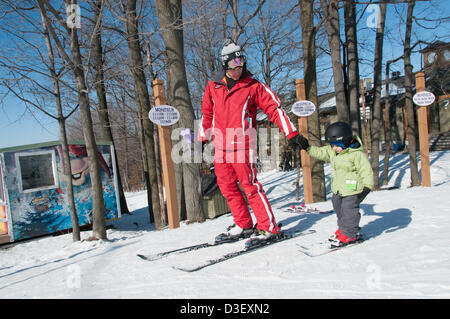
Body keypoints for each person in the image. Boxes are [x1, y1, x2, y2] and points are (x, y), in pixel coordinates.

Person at [198, 38, 308, 242]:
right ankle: (243, 224)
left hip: (242, 145)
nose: (238, 67)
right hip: (221, 146)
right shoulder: (213, 86)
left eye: (241, 62)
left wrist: (291, 133)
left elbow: (274, 109)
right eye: (233, 63)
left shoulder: (253, 86)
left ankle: (268, 227)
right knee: (227, 187)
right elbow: (207, 113)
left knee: (249, 185)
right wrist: (202, 139)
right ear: (225, 65)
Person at [293, 121, 373, 247]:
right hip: (338, 188)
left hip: (353, 189)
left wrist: (367, 187)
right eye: (332, 145)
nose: (334, 148)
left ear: (346, 141)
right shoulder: (333, 151)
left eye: (337, 145)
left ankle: (350, 234)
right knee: (338, 208)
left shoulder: (356, 154)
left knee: (349, 210)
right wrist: (307, 147)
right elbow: (320, 152)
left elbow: (366, 171)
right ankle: (343, 229)